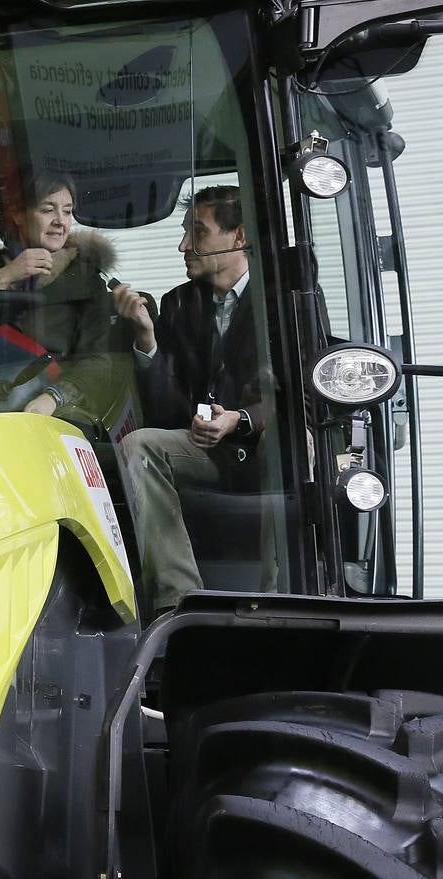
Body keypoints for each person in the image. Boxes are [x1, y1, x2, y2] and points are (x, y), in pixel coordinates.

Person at [111, 185, 276, 610]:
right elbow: (167, 411)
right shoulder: (178, 304)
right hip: (205, 448)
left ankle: (278, 598)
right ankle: (179, 601)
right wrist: (147, 337)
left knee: (291, 441)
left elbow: (301, 399)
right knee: (139, 446)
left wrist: (239, 419)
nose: (184, 245)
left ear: (239, 237)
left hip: (262, 445)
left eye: (197, 233)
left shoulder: (284, 302)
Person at [0, 172, 120, 416]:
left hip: (51, 409)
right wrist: (5, 276)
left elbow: (98, 363)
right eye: (48, 210)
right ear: (17, 214)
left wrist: (54, 397)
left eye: (67, 211)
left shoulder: (86, 282)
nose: (60, 221)